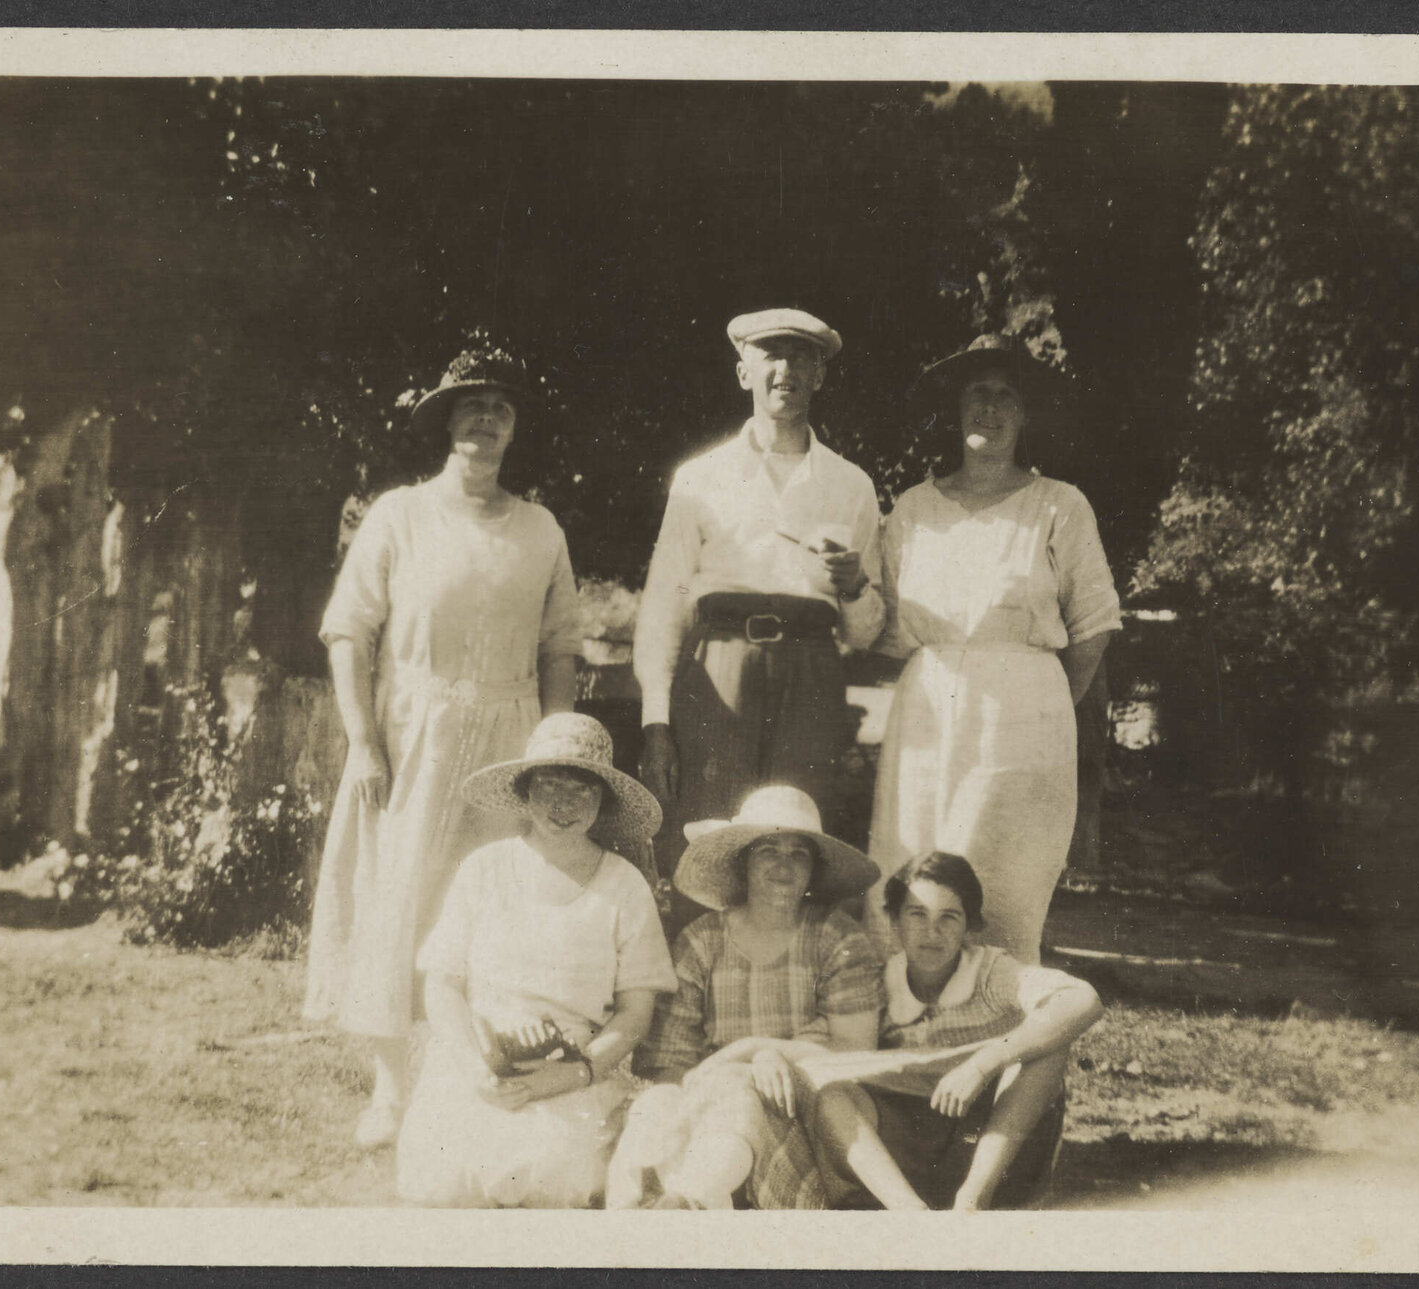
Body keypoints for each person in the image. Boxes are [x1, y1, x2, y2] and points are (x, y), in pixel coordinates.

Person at [302, 343, 583, 1149]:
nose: (485, 419)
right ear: (446, 424)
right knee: (400, 898)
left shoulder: (540, 529)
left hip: (509, 739)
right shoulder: (400, 515)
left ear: (514, 429)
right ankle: (391, 1089)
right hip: (413, 735)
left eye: (500, 408)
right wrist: (363, 741)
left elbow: (560, 646)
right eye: (470, 406)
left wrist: (554, 753)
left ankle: (474, 1075)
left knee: (493, 902)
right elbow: (348, 632)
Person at [867, 333, 1122, 964]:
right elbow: (887, 627)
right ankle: (907, 1012)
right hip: (927, 715)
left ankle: (998, 1014)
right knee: (914, 864)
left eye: (1006, 396)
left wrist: (1044, 706)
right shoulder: (913, 509)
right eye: (978, 393)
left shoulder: (1059, 505)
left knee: (1001, 881)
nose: (990, 407)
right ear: (956, 408)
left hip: (1023, 721)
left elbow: (1094, 624)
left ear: (1025, 414)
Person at [634, 309, 885, 934]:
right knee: (709, 830)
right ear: (744, 371)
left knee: (800, 831)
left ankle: (791, 978)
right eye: (771, 354)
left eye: (802, 357)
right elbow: (665, 604)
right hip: (720, 668)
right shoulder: (700, 478)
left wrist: (853, 585)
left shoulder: (851, 485)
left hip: (812, 672)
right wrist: (657, 721)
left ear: (820, 375)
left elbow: (865, 630)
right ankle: (696, 974)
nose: (786, 370)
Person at [395, 713, 677, 1208]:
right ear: (525, 792)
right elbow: (442, 983)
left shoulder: (625, 885)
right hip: (478, 1061)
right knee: (445, 1178)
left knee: (550, 1178)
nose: (562, 805)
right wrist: (474, 1068)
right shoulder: (484, 869)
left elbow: (636, 1013)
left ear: (603, 800)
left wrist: (574, 1074)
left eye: (581, 789)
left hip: (573, 1070)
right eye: (548, 785)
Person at [607, 785, 883, 1210]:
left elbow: (856, 1050)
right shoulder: (703, 942)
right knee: (657, 1103)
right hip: (714, 1108)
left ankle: (690, 1202)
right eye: (768, 851)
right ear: (743, 861)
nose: (783, 867)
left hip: (808, 1111)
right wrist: (686, 1100)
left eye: (799, 855)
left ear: (814, 870)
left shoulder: (836, 937)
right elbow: (672, 1062)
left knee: (737, 1087)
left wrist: (754, 1050)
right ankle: (636, 1212)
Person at [812, 852, 1104, 1211]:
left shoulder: (989, 972)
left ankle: (973, 1199)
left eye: (949, 917)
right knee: (833, 1097)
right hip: (913, 1152)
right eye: (917, 915)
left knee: (1049, 1047)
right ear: (894, 921)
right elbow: (825, 1044)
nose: (932, 933)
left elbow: (1082, 999)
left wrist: (984, 1063)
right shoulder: (878, 983)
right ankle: (908, 1210)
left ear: (969, 926)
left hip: (990, 1147)